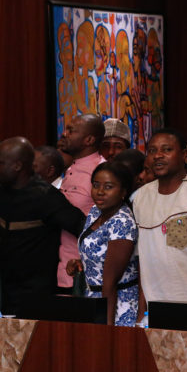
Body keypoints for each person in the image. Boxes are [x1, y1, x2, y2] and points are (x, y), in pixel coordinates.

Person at [0, 137, 85, 315]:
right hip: (7, 284)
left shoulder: (45, 195)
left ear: (17, 166)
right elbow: (7, 224)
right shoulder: (5, 188)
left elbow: (81, 225)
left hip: (37, 291)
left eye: (0, 162)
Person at [66, 161, 138, 326]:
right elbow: (101, 254)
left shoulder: (122, 223)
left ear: (123, 192)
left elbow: (110, 283)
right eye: (96, 185)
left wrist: (107, 327)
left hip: (116, 307)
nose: (99, 192)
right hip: (93, 300)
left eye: (108, 187)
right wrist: (82, 262)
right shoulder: (95, 211)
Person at [134, 128, 187, 307]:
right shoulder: (141, 196)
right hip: (154, 306)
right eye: (152, 151)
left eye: (167, 149)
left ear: (184, 154)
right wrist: (142, 309)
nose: (158, 156)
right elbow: (142, 259)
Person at [56, 113, 106, 290]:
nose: (64, 134)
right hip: (62, 272)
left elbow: (105, 227)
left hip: (85, 276)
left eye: (71, 130)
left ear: (89, 139)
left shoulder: (100, 173)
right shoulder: (72, 168)